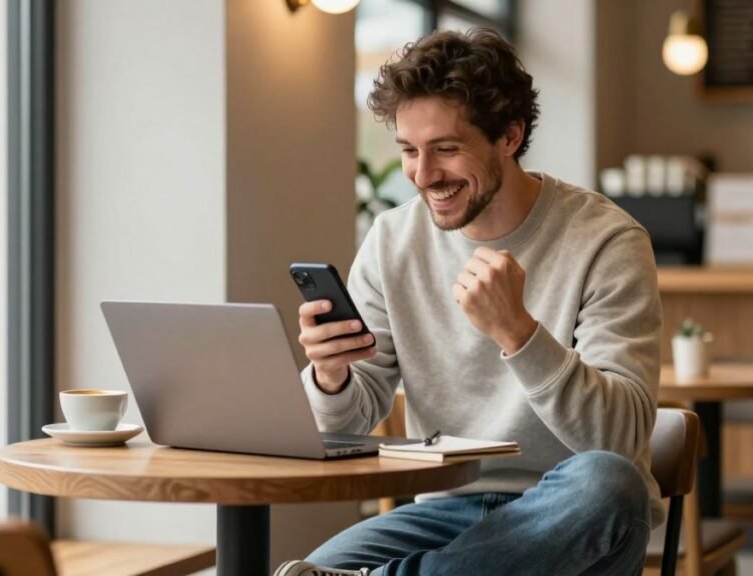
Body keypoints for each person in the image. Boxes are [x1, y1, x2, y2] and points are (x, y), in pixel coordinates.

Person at [275, 27, 662, 576]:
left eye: (447, 149)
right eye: (409, 150)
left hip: (570, 513)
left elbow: (618, 439)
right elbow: (350, 422)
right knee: (315, 565)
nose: (424, 175)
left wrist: (519, 333)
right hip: (445, 510)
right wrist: (330, 375)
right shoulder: (392, 241)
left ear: (509, 135)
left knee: (609, 482)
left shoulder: (607, 241)